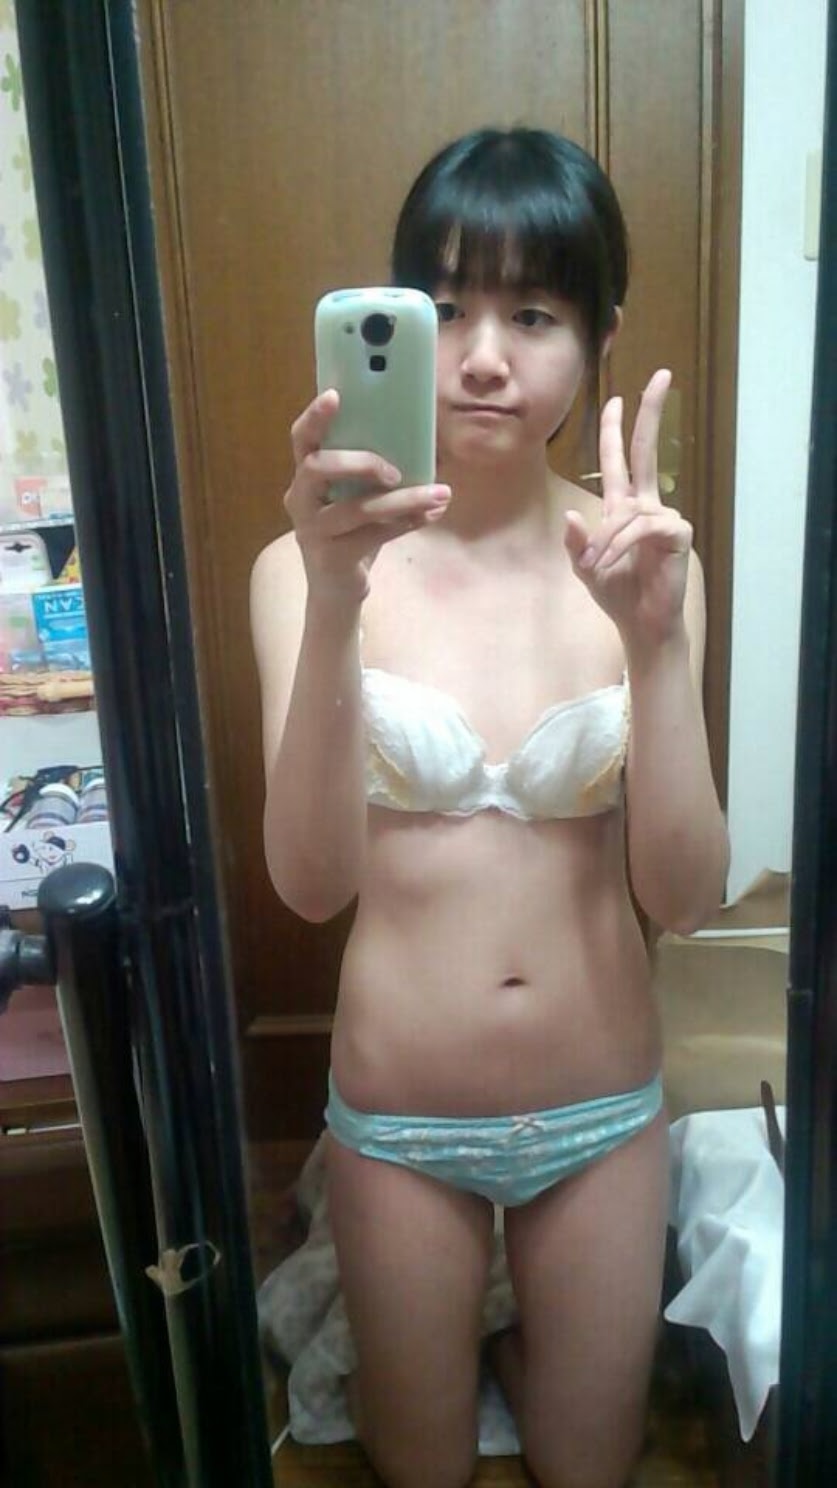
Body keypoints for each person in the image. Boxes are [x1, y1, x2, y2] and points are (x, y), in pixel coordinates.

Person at [250, 126, 729, 1488]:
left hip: (602, 1109)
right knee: (424, 1470)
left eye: (531, 314)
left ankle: (519, 1343)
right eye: (445, 305)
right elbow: (311, 885)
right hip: (401, 1118)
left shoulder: (645, 567)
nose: (479, 355)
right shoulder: (302, 568)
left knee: (590, 1471)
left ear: (598, 336)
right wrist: (335, 601)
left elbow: (687, 898)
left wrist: (655, 647)